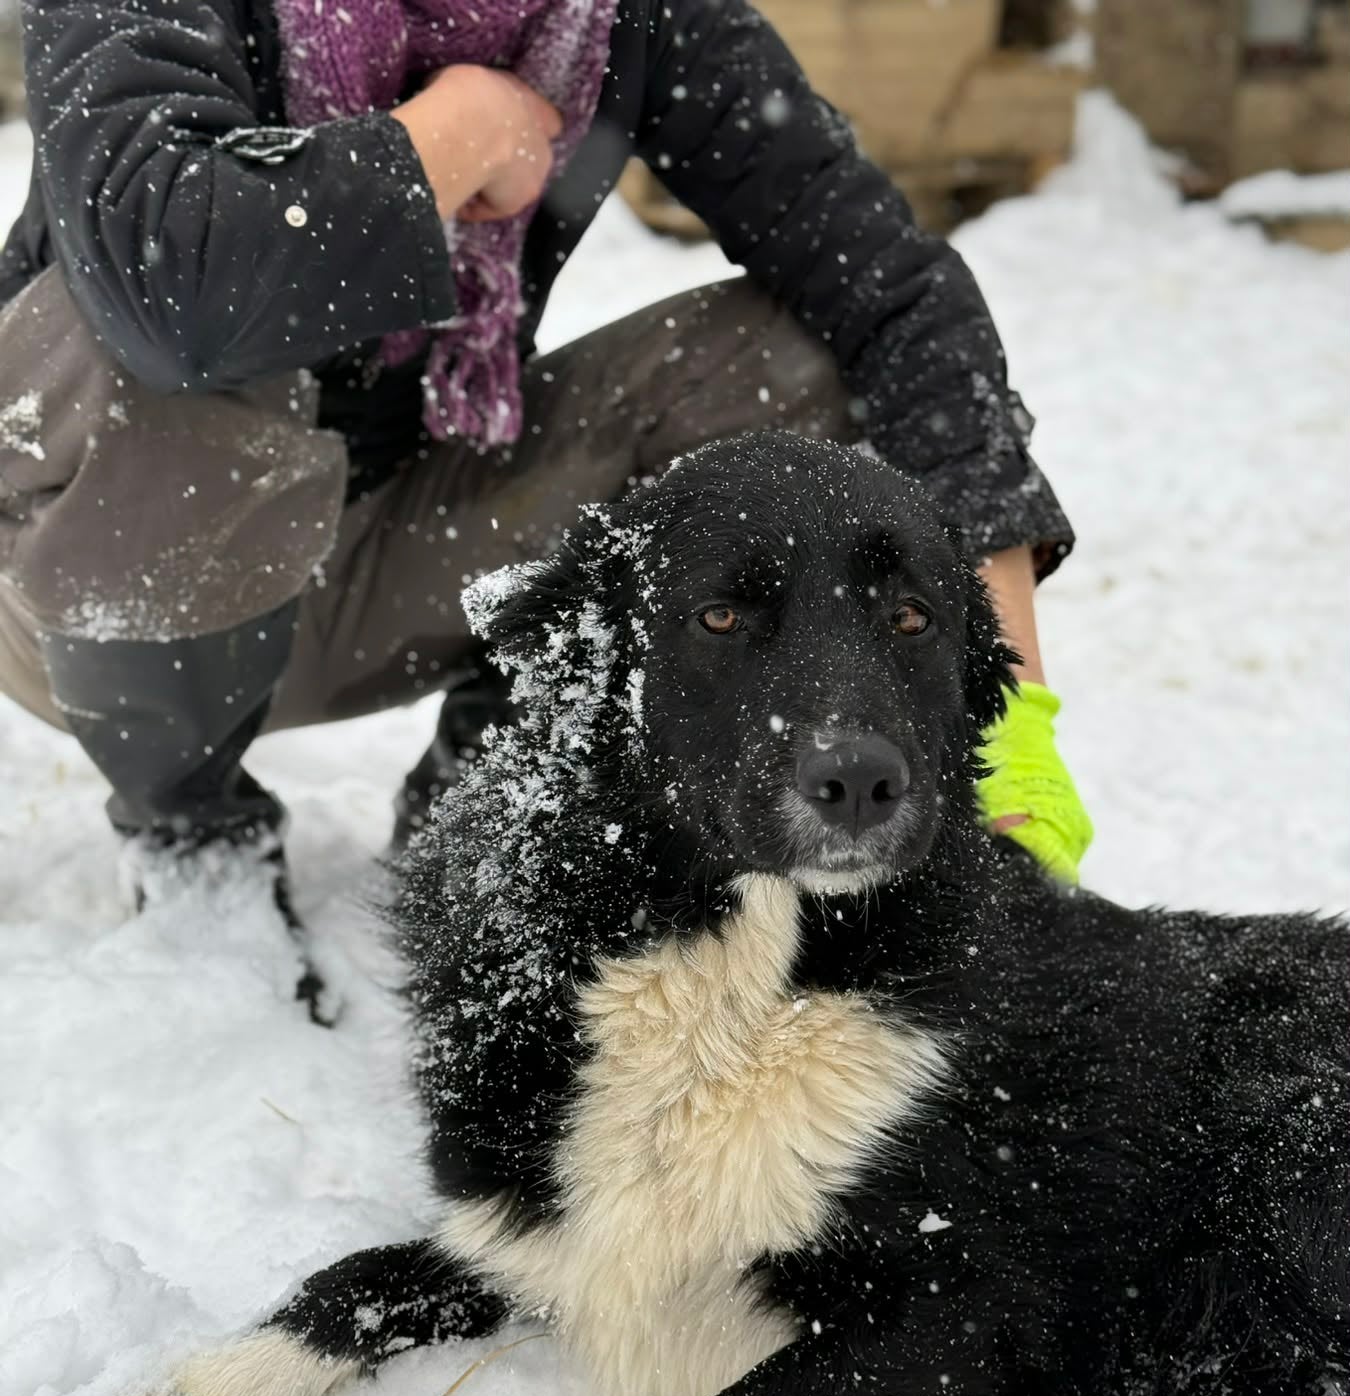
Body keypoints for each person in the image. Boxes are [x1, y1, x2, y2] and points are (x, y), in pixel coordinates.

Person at [0, 0, 1091, 1004]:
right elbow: (173, 280)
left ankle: (493, 791)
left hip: (395, 544)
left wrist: (1014, 720)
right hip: (85, 581)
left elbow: (893, 295)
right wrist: (461, 130)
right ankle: (194, 841)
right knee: (156, 326)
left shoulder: (610, 16)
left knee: (792, 356)